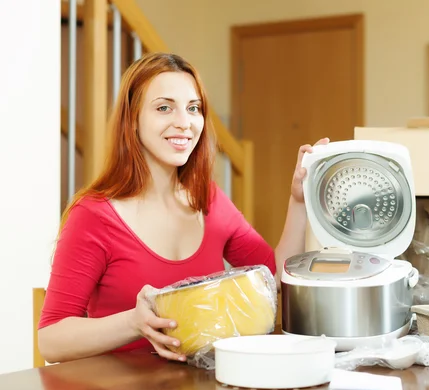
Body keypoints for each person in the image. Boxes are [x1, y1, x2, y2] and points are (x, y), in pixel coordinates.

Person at [38, 52, 328, 364]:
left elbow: (274, 280)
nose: (184, 123)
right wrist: (133, 323)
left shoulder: (209, 200)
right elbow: (51, 340)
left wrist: (299, 201)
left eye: (193, 109)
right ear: (132, 120)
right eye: (164, 108)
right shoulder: (93, 215)